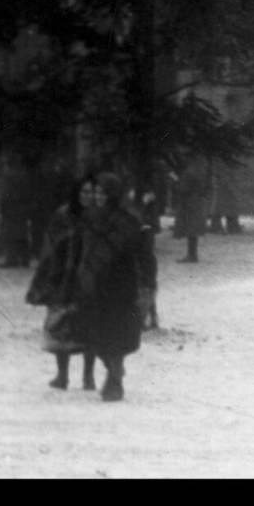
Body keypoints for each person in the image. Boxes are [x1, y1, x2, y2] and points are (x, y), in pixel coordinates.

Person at [76, 172, 153, 402]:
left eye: (103, 193)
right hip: (95, 282)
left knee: (117, 334)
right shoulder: (90, 217)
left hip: (121, 283)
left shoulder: (129, 219)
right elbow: (84, 249)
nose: (98, 197)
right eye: (96, 193)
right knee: (96, 336)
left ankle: (114, 379)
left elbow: (144, 254)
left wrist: (147, 284)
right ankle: (112, 367)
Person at [27, 175, 97, 391]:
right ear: (77, 193)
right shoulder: (63, 215)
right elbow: (50, 245)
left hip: (88, 276)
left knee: (89, 326)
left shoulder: (98, 216)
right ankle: (62, 375)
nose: (88, 196)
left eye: (92, 192)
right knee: (60, 324)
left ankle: (88, 376)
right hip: (62, 276)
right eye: (84, 191)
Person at [171, 154, 211, 263]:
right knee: (193, 230)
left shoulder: (189, 172)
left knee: (190, 230)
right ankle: (193, 254)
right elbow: (207, 188)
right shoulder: (201, 171)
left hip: (188, 204)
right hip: (198, 202)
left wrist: (175, 180)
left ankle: (191, 255)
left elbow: (182, 188)